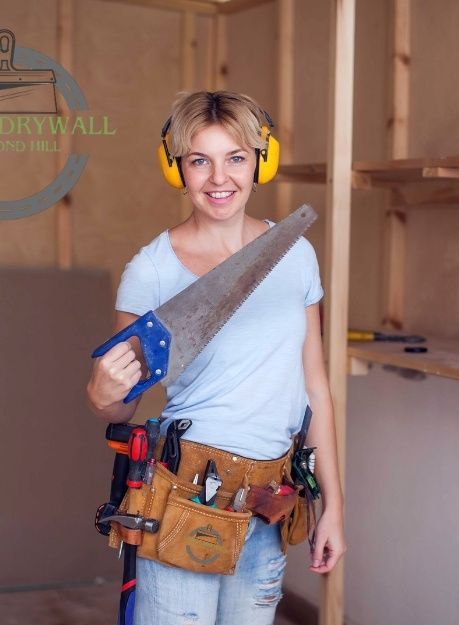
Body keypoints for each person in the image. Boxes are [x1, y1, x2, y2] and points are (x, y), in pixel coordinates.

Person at [85, 90, 345, 625]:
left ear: (260, 162)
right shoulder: (152, 271)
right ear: (176, 166)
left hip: (270, 500)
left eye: (236, 158)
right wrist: (103, 394)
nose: (218, 178)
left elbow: (315, 387)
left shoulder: (295, 255)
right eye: (200, 160)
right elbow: (118, 408)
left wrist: (332, 507)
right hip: (186, 499)